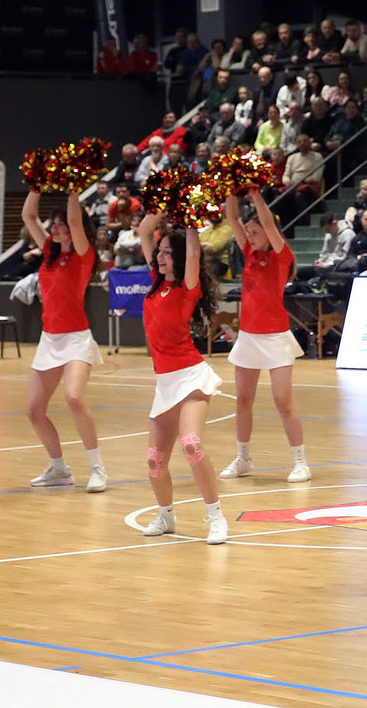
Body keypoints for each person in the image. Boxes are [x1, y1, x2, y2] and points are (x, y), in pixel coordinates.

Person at [135, 212, 228, 544]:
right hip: (165, 383)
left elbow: (193, 253)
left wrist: (190, 215)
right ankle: (166, 516)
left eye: (167, 253)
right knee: (154, 460)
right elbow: (145, 230)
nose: (160, 257)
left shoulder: (187, 288)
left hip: (191, 377)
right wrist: (164, 204)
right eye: (158, 252)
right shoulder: (155, 283)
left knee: (191, 444)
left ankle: (216, 517)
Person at [21, 188, 107, 492]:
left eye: (62, 224)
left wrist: (73, 187)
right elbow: (29, 216)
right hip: (49, 339)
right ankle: (59, 469)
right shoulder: (49, 251)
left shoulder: (84, 255)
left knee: (74, 398)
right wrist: (35, 187)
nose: (56, 229)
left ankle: (98, 468)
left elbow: (75, 219)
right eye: (54, 224)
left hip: (76, 339)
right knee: (34, 410)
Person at [221, 189, 310, 482]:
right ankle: (243, 458)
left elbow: (268, 223)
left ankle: (301, 462)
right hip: (248, 336)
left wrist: (255, 193)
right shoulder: (249, 252)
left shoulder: (282, 256)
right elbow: (231, 217)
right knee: (242, 400)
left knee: (283, 401)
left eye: (254, 232)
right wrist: (229, 186)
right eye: (248, 232)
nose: (249, 236)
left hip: (275, 337)